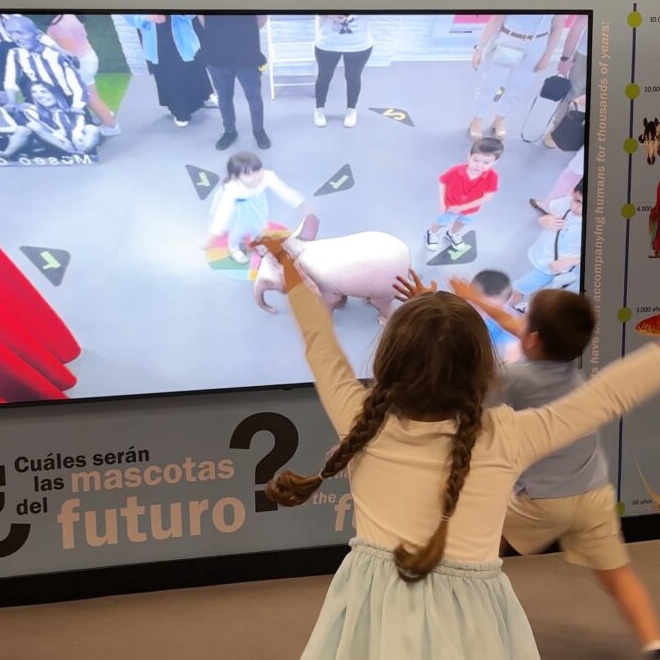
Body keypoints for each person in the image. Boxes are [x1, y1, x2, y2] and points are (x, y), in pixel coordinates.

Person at [251, 237, 660, 660]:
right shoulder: (506, 435)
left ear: (390, 359)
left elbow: (319, 339)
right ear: (481, 369)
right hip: (472, 624)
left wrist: (287, 260)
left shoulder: (362, 419)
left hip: (375, 613)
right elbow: (607, 396)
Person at [447, 281, 660, 659]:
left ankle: (460, 615)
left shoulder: (514, 378)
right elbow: (520, 328)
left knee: (484, 541)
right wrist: (476, 299)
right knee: (618, 575)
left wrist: (438, 307)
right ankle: (653, 642)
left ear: (533, 340)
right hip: (593, 493)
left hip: (543, 501)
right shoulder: (566, 360)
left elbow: (474, 383)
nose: (520, 324)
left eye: (525, 321)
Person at [470, 14, 567, 141]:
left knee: (517, 88)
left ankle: (499, 120)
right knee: (489, 85)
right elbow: (496, 20)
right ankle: (476, 121)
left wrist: (547, 56)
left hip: (537, 45)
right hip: (507, 40)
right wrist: (479, 48)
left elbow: (557, 28)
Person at [207, 152, 304, 264]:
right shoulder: (232, 189)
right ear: (236, 176)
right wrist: (214, 234)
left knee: (259, 228)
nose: (256, 176)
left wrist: (300, 203)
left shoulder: (267, 176)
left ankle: (257, 242)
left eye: (258, 170)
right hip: (239, 212)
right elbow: (223, 213)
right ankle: (234, 248)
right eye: (248, 174)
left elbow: (283, 190)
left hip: (257, 207)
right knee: (238, 232)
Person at [124, 14, 213, 128]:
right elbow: (129, 15)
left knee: (193, 68)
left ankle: (204, 97)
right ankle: (180, 112)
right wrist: (147, 17)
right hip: (157, 40)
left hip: (184, 36)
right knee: (170, 76)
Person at [198, 14, 271, 151]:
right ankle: (229, 131)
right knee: (224, 97)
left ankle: (259, 131)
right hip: (217, 54)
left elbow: (261, 17)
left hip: (247, 54)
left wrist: (244, 32)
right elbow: (201, 16)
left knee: (254, 97)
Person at [511, 179, 583, 309]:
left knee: (518, 290)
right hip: (540, 254)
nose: (579, 209)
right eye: (577, 201)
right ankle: (528, 308)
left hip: (552, 268)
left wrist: (567, 262)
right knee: (541, 293)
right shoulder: (565, 203)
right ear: (573, 192)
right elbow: (546, 216)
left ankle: (510, 310)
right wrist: (544, 220)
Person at [47, 14, 121, 136]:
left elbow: (69, 54)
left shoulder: (59, 24)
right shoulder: (70, 16)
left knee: (90, 98)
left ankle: (111, 126)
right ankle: (106, 115)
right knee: (92, 95)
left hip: (79, 64)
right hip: (86, 57)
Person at [426, 137, 503, 251]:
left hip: (471, 210)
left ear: (495, 162)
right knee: (441, 222)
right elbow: (443, 183)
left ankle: (452, 234)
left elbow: (487, 197)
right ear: (469, 156)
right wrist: (442, 203)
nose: (479, 165)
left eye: (486, 163)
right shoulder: (455, 171)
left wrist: (462, 208)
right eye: (475, 160)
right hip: (450, 207)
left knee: (461, 223)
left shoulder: (493, 177)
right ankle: (432, 233)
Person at [3, 15, 87, 113]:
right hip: (43, 104)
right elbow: (10, 80)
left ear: (38, 35)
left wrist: (76, 106)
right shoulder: (15, 54)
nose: (16, 38)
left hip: (68, 101)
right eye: (11, 34)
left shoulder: (56, 55)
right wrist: (11, 102)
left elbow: (78, 86)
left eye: (20, 33)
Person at [313, 14, 373, 128]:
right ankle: (319, 109)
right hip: (327, 42)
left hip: (359, 43)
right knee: (324, 76)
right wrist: (328, 14)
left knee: (353, 77)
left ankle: (351, 109)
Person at [544, 15, 588, 149]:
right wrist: (565, 58)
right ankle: (558, 129)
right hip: (586, 54)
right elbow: (578, 25)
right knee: (574, 94)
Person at [24, 82, 100, 155]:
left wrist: (75, 137)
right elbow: (45, 128)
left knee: (91, 128)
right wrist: (63, 139)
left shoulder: (71, 106)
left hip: (76, 138)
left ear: (55, 94)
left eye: (44, 92)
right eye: (34, 92)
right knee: (33, 125)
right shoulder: (32, 111)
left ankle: (82, 152)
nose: (39, 96)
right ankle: (69, 152)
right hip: (56, 141)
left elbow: (79, 124)